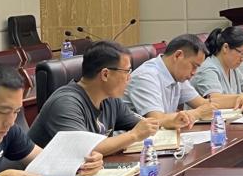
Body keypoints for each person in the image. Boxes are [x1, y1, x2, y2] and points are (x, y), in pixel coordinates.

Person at [30, 41, 160, 155]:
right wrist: (134, 135)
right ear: (105, 74)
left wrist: (152, 125)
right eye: (127, 72)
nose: (129, 78)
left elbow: (141, 125)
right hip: (40, 174)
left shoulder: (110, 99)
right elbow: (84, 150)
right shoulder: (65, 103)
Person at [122, 35, 213, 127]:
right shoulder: (145, 76)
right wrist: (197, 113)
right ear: (178, 55)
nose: (194, 72)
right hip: (132, 134)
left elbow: (204, 105)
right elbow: (157, 120)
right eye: (194, 66)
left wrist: (209, 106)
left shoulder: (177, 73)